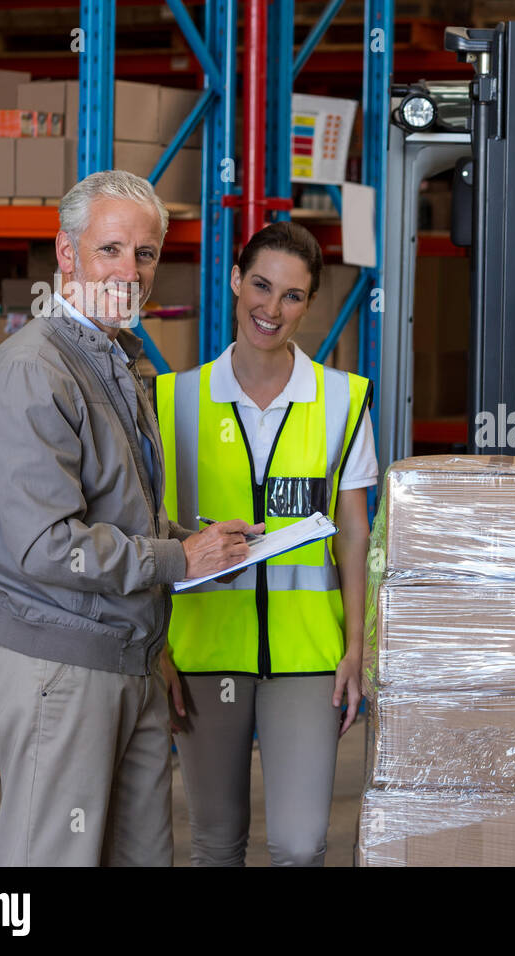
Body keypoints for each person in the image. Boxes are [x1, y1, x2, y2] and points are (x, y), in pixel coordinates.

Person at [0, 169, 257, 866]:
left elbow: (122, 516)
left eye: (145, 253)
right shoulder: (37, 373)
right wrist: (177, 562)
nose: (130, 270)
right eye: (110, 249)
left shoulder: (120, 363)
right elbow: (46, 546)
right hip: (64, 665)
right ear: (67, 254)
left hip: (133, 660)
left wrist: (203, 546)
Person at [154, 220, 375, 867]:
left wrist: (357, 645)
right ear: (234, 280)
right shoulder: (174, 400)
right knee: (215, 843)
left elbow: (355, 531)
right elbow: (150, 531)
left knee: (302, 845)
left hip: (308, 658)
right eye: (260, 285)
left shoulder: (342, 399)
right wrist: (156, 648)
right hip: (202, 649)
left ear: (309, 304)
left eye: (292, 296)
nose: (271, 310)